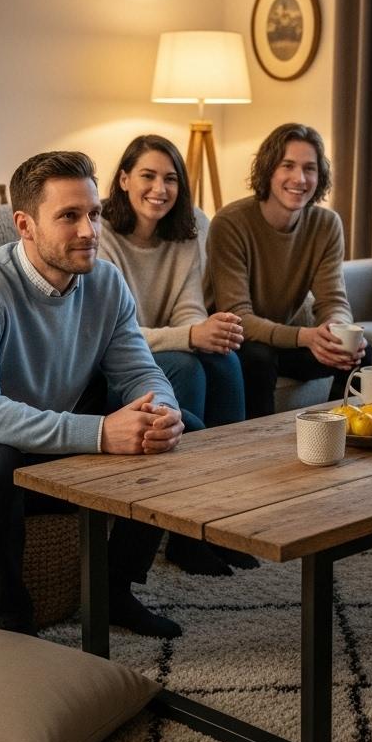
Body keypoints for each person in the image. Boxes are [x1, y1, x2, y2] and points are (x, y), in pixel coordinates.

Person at [0, 151, 185, 638]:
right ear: (25, 224)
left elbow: (140, 370)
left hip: (45, 455)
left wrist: (163, 410)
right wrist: (99, 433)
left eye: (93, 214)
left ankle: (115, 591)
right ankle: (13, 623)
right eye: (69, 216)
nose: (88, 231)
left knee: (177, 432)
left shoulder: (106, 282)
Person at [99, 134, 257, 576]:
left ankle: (227, 518)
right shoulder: (102, 234)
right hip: (117, 363)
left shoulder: (191, 226)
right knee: (187, 364)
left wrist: (206, 330)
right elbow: (117, 334)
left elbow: (188, 304)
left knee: (224, 357)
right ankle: (185, 534)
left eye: (170, 179)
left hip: (164, 343)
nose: (159, 189)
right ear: (125, 179)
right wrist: (191, 336)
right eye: (147, 176)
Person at [205, 123, 370, 419]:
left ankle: (347, 432)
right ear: (269, 170)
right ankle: (259, 448)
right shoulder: (230, 223)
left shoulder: (327, 225)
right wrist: (306, 337)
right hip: (237, 341)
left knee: (359, 353)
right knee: (258, 357)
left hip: (285, 339)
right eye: (288, 166)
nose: (300, 178)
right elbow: (238, 317)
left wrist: (339, 332)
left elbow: (333, 299)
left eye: (310, 168)